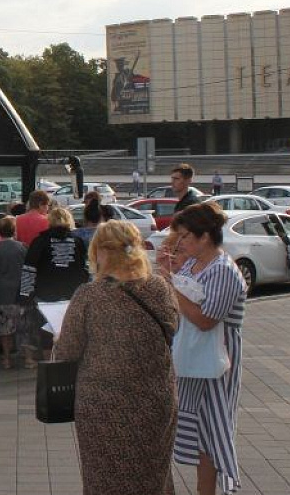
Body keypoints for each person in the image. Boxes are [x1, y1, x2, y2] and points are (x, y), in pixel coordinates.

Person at [56, 220, 179, 495]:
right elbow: (172, 329)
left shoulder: (89, 295)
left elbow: (66, 353)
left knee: (104, 480)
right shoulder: (160, 288)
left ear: (100, 252)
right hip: (155, 402)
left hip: (103, 406)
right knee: (153, 477)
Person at [157, 202, 246, 495]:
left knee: (211, 431)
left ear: (204, 236)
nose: (179, 242)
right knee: (197, 431)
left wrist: (171, 285)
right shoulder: (198, 264)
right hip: (194, 357)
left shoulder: (223, 270)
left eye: (184, 236)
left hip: (215, 360)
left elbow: (206, 319)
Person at [26, 206, 89, 359]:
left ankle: (49, 363)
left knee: (47, 331)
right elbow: (85, 269)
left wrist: (25, 294)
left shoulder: (40, 241)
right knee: (70, 329)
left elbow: (28, 269)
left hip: (45, 295)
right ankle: (67, 361)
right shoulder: (78, 241)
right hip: (72, 295)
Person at [0, 216, 27, 370]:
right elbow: (27, 271)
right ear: (14, 230)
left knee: (4, 327)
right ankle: (27, 359)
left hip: (2, 292)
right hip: (19, 291)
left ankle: (7, 359)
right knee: (22, 326)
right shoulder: (22, 247)